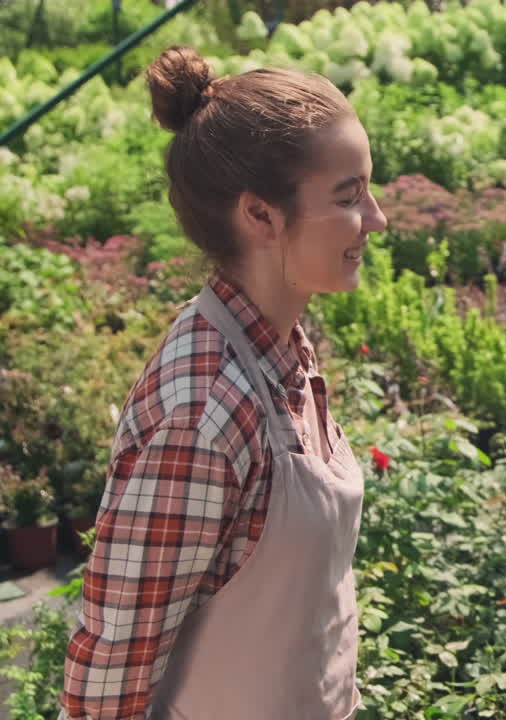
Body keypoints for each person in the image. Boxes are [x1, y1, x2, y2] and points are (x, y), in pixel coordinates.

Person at [60, 46, 386, 719]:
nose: (376, 219)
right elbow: (112, 669)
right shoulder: (206, 407)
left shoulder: (280, 350)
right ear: (260, 216)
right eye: (349, 196)